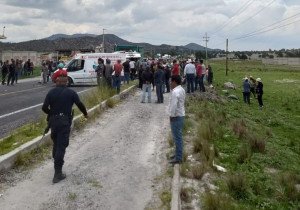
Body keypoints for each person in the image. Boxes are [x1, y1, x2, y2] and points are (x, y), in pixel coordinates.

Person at [42, 63, 88, 183]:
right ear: (66, 82)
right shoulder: (71, 93)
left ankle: (56, 161)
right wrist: (85, 114)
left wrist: (51, 113)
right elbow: (80, 105)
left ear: (57, 81)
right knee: (61, 147)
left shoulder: (51, 92)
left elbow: (44, 108)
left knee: (56, 143)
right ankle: (57, 174)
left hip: (53, 122)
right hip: (64, 122)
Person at [169, 75, 186, 165]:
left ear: (174, 82)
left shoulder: (175, 92)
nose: (170, 83)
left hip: (176, 116)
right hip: (181, 115)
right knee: (177, 137)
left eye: (171, 81)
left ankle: (178, 158)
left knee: (177, 138)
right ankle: (177, 154)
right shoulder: (182, 89)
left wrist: (171, 115)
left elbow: (174, 105)